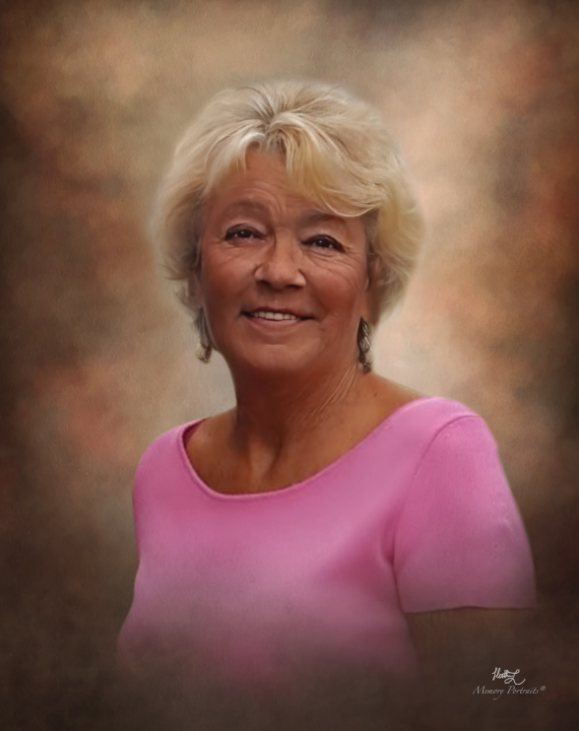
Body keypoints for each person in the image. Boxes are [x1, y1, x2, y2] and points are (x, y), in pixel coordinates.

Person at [117, 80, 536, 704]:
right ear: (196, 270)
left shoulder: (440, 455)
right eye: (243, 233)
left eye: (322, 241)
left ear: (371, 283)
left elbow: (503, 700)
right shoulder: (162, 470)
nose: (279, 271)